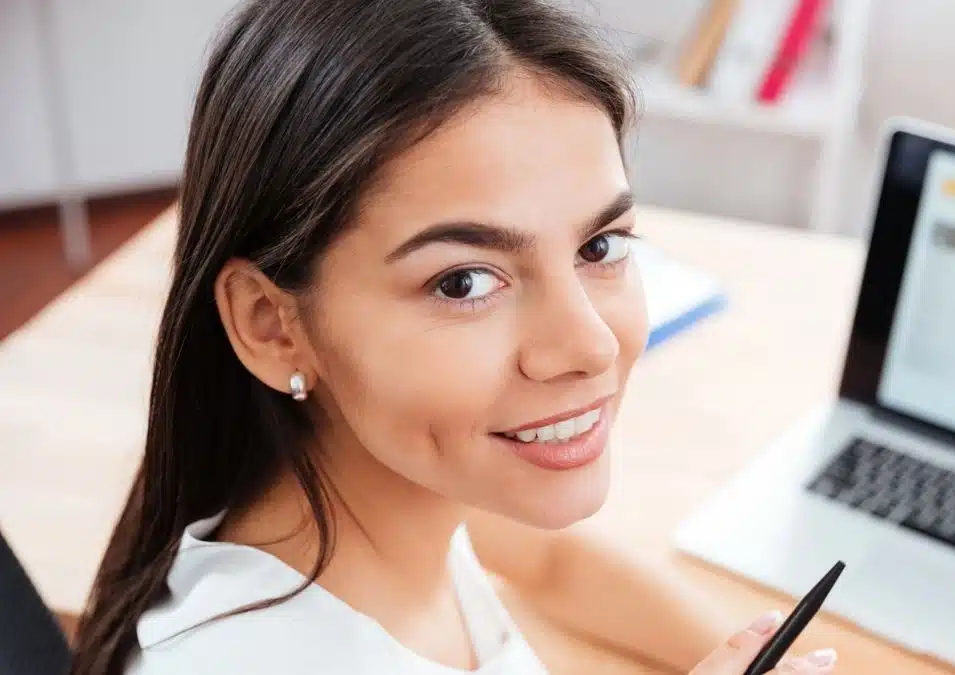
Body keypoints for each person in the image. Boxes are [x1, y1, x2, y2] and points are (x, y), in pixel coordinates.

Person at [67, 1, 839, 674]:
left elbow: (552, 560)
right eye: (464, 282)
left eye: (599, 246)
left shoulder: (385, 494)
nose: (590, 344)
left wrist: (762, 649)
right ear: (274, 325)